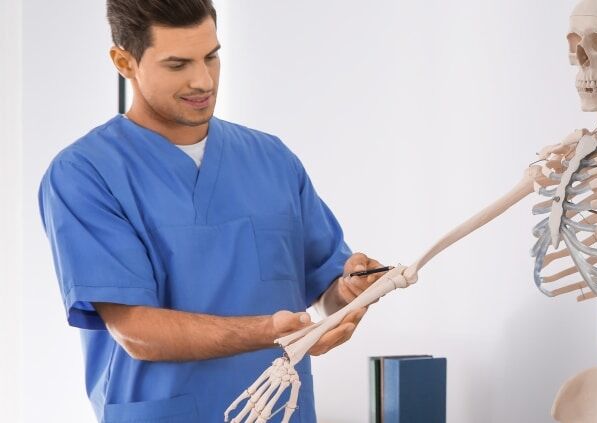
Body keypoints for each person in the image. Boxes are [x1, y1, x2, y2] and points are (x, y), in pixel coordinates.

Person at [38, 1, 384, 421]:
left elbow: (326, 293)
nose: (202, 80)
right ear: (124, 61)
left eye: (211, 56)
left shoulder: (271, 159)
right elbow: (137, 331)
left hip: (282, 411)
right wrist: (270, 332)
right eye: (177, 64)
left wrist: (348, 292)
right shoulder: (86, 173)